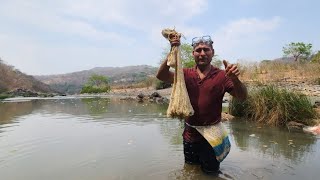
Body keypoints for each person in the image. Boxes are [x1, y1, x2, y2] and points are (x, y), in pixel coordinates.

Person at [156, 34, 247, 174]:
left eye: (206, 49)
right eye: (198, 50)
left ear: (213, 53)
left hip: (212, 137)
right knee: (190, 170)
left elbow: (242, 96)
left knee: (211, 173)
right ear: (193, 54)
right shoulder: (184, 74)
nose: (202, 53)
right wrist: (173, 49)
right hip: (190, 135)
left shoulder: (222, 75)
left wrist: (235, 79)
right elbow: (161, 76)